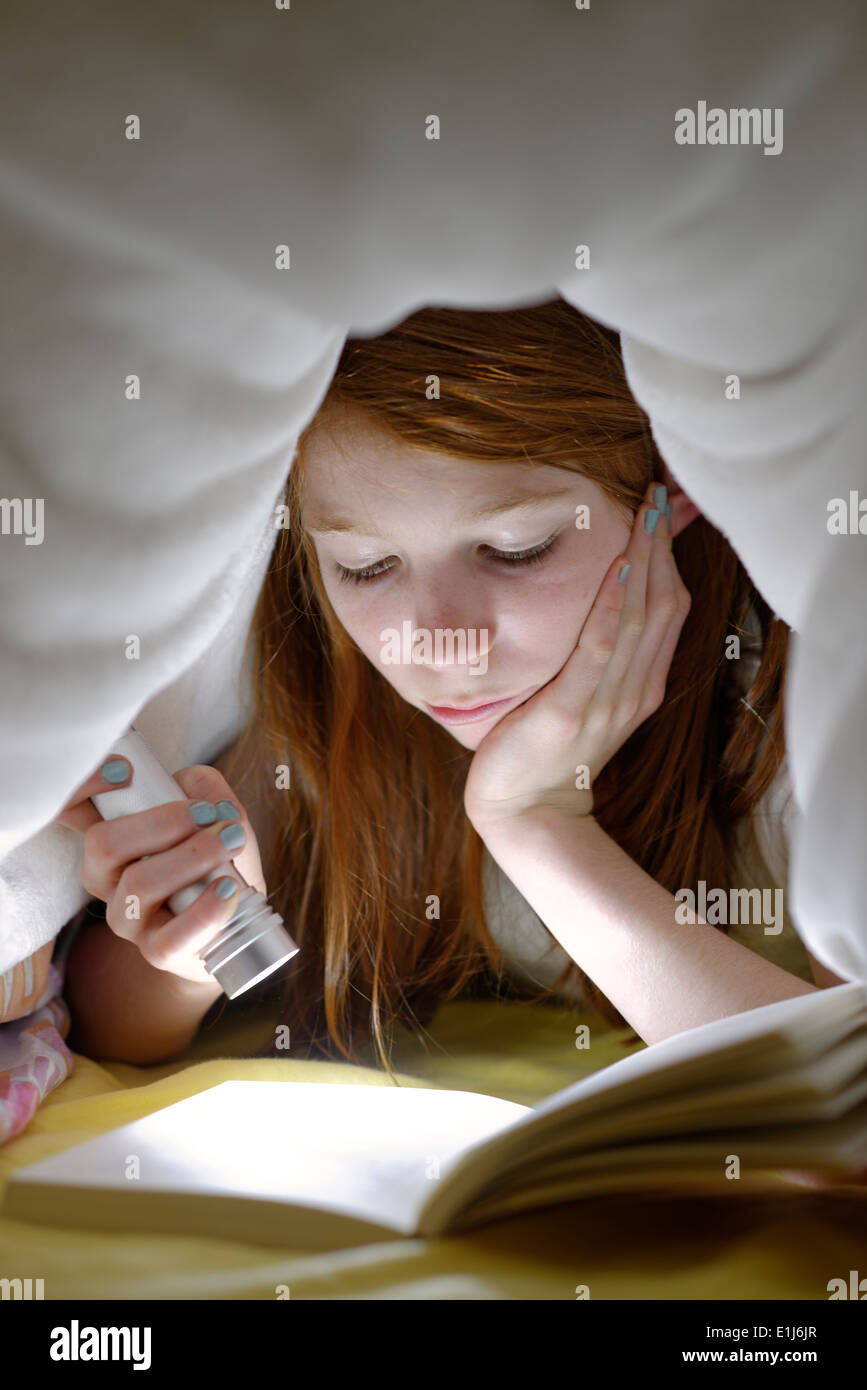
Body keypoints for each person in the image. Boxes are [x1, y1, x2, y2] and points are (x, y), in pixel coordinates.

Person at [51, 301, 847, 1092]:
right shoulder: (332, 691)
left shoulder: (806, 679)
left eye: (515, 550)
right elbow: (117, 1026)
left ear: (670, 486)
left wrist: (535, 823)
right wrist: (200, 946)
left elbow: (843, 1101)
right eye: (365, 566)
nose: (436, 642)